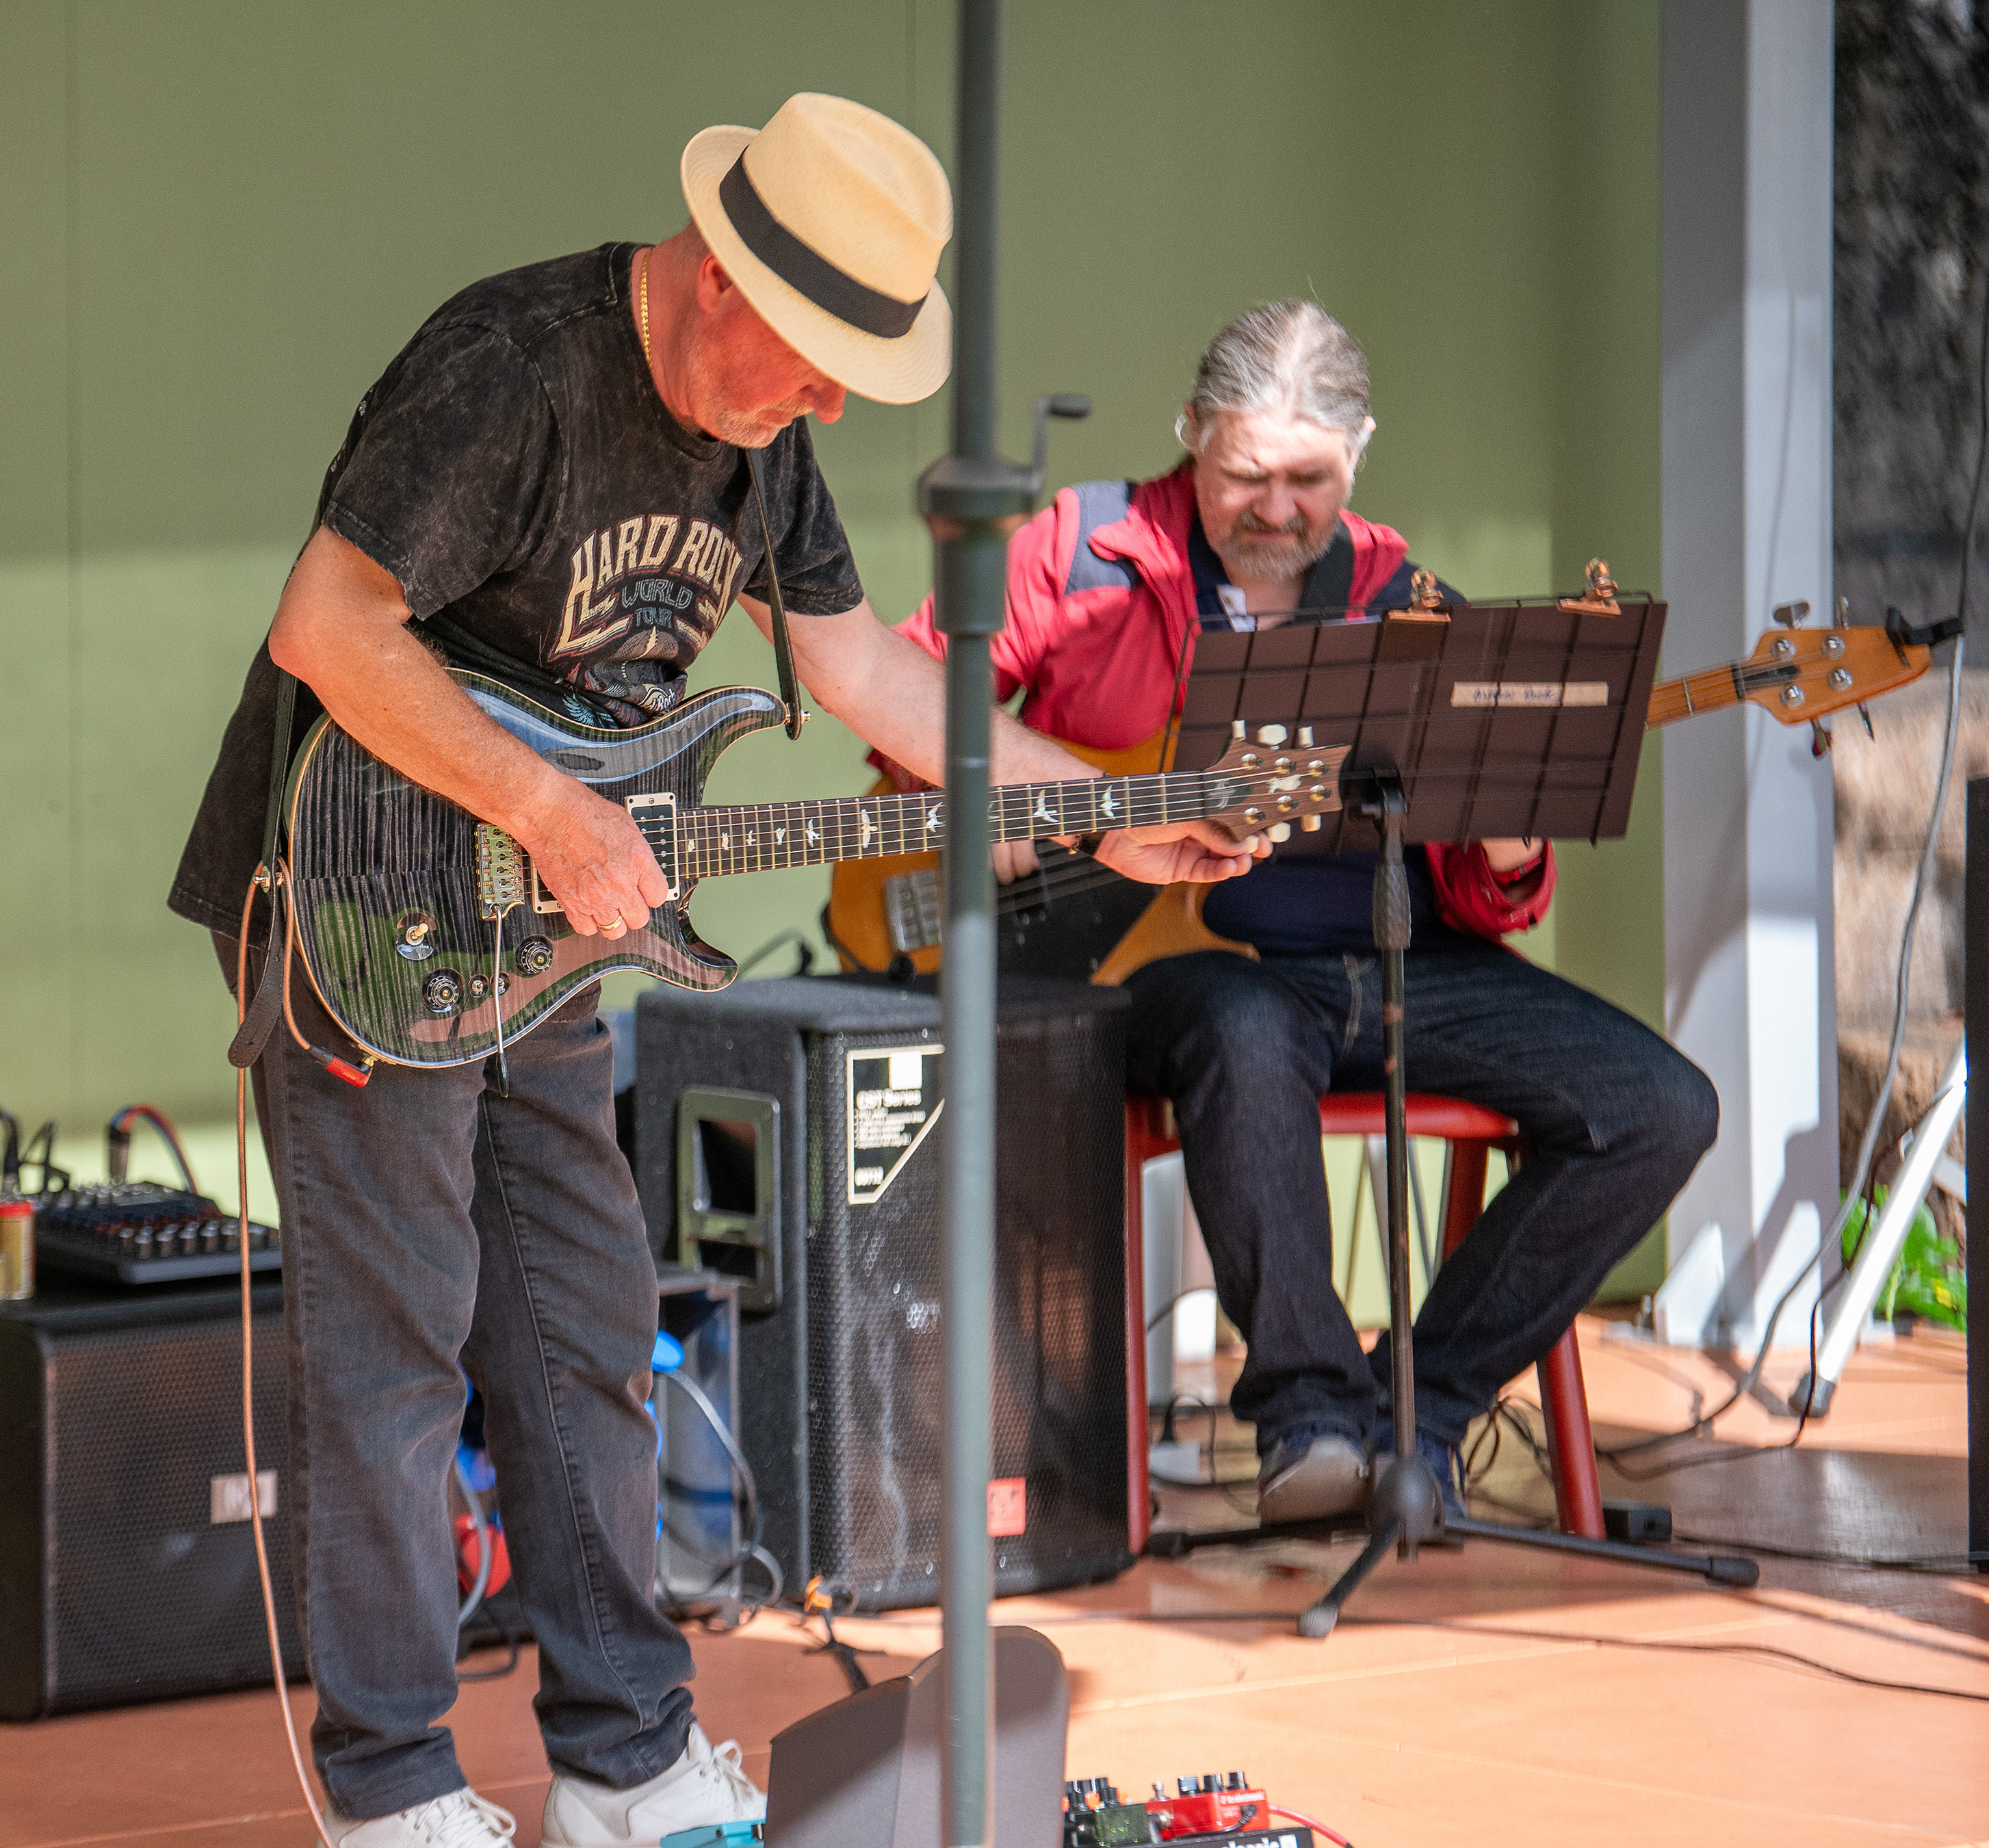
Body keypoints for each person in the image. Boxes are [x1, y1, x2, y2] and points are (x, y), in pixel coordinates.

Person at [167, 97, 1255, 1848]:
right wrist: (541, 806)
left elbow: (875, 688)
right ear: (726, 283)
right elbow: (326, 624)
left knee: (587, 1325)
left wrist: (1104, 814)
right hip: (362, 900)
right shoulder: (510, 367)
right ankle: (389, 1793)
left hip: (548, 931)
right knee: (394, 1360)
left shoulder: (763, 446)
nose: (828, 399)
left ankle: (622, 1755)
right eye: (817, 358)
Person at [886, 300, 1719, 1525]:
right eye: (1242, 477)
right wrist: (994, 790)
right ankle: (1309, 1424)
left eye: (1309, 480)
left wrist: (1508, 838)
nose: (1275, 510)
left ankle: (1413, 1418)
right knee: (1245, 1029)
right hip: (1175, 963)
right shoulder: (1084, 552)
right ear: (1190, 436)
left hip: (1386, 960)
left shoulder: (1410, 601)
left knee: (1660, 1106)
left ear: (1361, 451)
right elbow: (903, 686)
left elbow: (1482, 899)